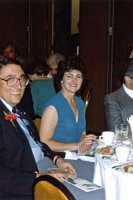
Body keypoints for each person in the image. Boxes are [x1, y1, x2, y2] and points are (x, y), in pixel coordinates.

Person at [0, 57, 76, 199]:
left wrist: (57, 159)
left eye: (22, 79)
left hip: (44, 167)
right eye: (10, 79)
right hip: (19, 188)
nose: (18, 85)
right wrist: (39, 178)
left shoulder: (20, 111)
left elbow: (36, 142)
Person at [40, 56, 97, 153]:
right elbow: (44, 142)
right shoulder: (53, 107)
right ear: (61, 79)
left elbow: (82, 134)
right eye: (69, 76)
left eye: (78, 76)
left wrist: (86, 141)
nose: (74, 80)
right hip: (57, 159)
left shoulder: (80, 103)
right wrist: (76, 146)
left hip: (76, 155)